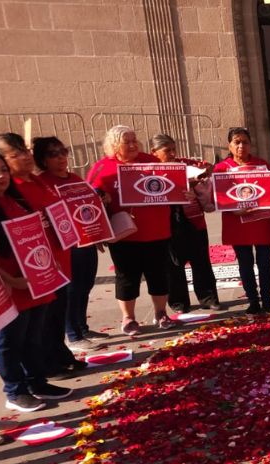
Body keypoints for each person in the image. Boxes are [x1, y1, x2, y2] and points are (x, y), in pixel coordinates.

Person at [0, 133, 85, 378]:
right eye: (15, 154)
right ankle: (38, 371)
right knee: (30, 329)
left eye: (25, 150)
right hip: (29, 272)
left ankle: (57, 356)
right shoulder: (13, 192)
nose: (25, 157)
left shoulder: (36, 182)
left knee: (54, 317)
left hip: (56, 262)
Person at [0, 151, 72, 412]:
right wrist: (12, 281)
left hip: (34, 282)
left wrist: (49, 262)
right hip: (8, 288)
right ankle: (15, 391)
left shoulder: (14, 200)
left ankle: (37, 382)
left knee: (32, 337)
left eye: (3, 170)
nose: (1, 176)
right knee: (9, 341)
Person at [88, 126, 174, 335]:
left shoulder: (151, 162)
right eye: (127, 142)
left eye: (134, 139)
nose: (133, 144)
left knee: (158, 274)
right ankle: (129, 318)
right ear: (114, 145)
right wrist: (103, 203)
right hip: (125, 235)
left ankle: (161, 313)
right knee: (126, 277)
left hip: (157, 230)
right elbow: (89, 200)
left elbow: (171, 186)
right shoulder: (102, 168)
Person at [32, 136, 109, 352]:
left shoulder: (75, 178)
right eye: (52, 154)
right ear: (42, 159)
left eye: (62, 151)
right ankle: (73, 336)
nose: (60, 157)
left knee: (85, 285)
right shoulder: (42, 183)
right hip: (64, 244)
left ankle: (82, 327)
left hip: (86, 240)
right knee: (71, 290)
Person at [149, 134, 222, 314]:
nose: (173, 153)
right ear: (154, 152)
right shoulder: (149, 169)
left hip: (194, 220)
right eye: (168, 151)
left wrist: (206, 171)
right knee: (173, 264)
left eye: (174, 149)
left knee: (201, 260)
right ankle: (179, 302)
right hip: (167, 223)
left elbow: (207, 171)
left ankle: (208, 297)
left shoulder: (186, 164)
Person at [214, 127, 270, 314]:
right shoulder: (222, 169)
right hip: (237, 224)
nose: (241, 145)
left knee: (265, 262)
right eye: (237, 142)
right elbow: (217, 197)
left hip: (262, 222)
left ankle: (267, 299)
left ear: (250, 144)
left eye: (245, 142)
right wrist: (233, 209)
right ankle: (253, 300)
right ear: (230, 145)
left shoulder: (262, 165)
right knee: (245, 263)